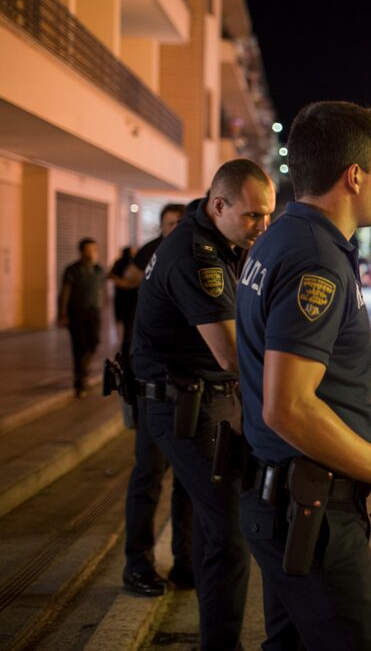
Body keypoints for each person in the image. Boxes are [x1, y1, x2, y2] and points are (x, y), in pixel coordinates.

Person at [236, 101, 371, 651]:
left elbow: (328, 355)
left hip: (284, 498)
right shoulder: (317, 258)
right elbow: (288, 404)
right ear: (354, 174)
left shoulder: (282, 237)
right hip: (310, 509)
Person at [132, 159, 275, 649]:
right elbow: (233, 354)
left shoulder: (217, 240)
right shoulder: (198, 256)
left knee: (208, 518)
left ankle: (194, 580)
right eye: (253, 216)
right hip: (186, 403)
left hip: (199, 398)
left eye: (268, 215)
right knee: (230, 532)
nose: (263, 227)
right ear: (219, 205)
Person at [116, 203, 192, 598]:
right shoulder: (152, 253)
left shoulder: (191, 255)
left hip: (182, 389)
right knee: (148, 476)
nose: (176, 229)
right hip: (151, 382)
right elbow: (125, 282)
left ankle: (185, 561)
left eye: (181, 223)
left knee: (185, 482)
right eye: (170, 224)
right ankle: (137, 563)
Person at [59, 238, 106, 398]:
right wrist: (63, 314)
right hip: (77, 312)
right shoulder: (72, 270)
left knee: (94, 342)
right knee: (79, 346)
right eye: (89, 249)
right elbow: (65, 293)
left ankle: (84, 369)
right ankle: (80, 381)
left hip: (94, 312)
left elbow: (101, 290)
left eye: (94, 249)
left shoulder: (99, 270)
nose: (92, 252)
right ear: (81, 252)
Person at [110, 246, 138, 357]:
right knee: (128, 327)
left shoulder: (134, 263)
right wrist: (122, 282)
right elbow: (111, 275)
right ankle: (126, 353)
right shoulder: (124, 263)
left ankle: (127, 351)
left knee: (128, 327)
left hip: (130, 299)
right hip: (124, 299)